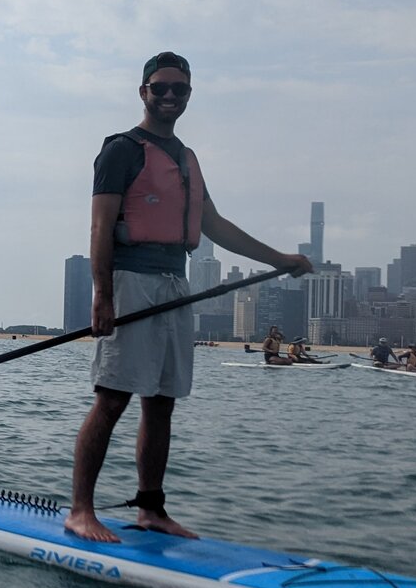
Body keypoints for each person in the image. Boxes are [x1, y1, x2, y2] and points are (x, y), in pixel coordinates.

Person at [68, 52, 312, 544]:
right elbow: (99, 226)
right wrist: (103, 296)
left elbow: (214, 226)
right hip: (132, 281)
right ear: (144, 91)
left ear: (189, 95)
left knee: (162, 403)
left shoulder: (186, 158)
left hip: (176, 287)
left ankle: (151, 509)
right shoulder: (121, 150)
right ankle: (80, 510)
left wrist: (278, 258)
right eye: (161, 88)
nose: (170, 97)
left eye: (180, 89)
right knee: (113, 398)